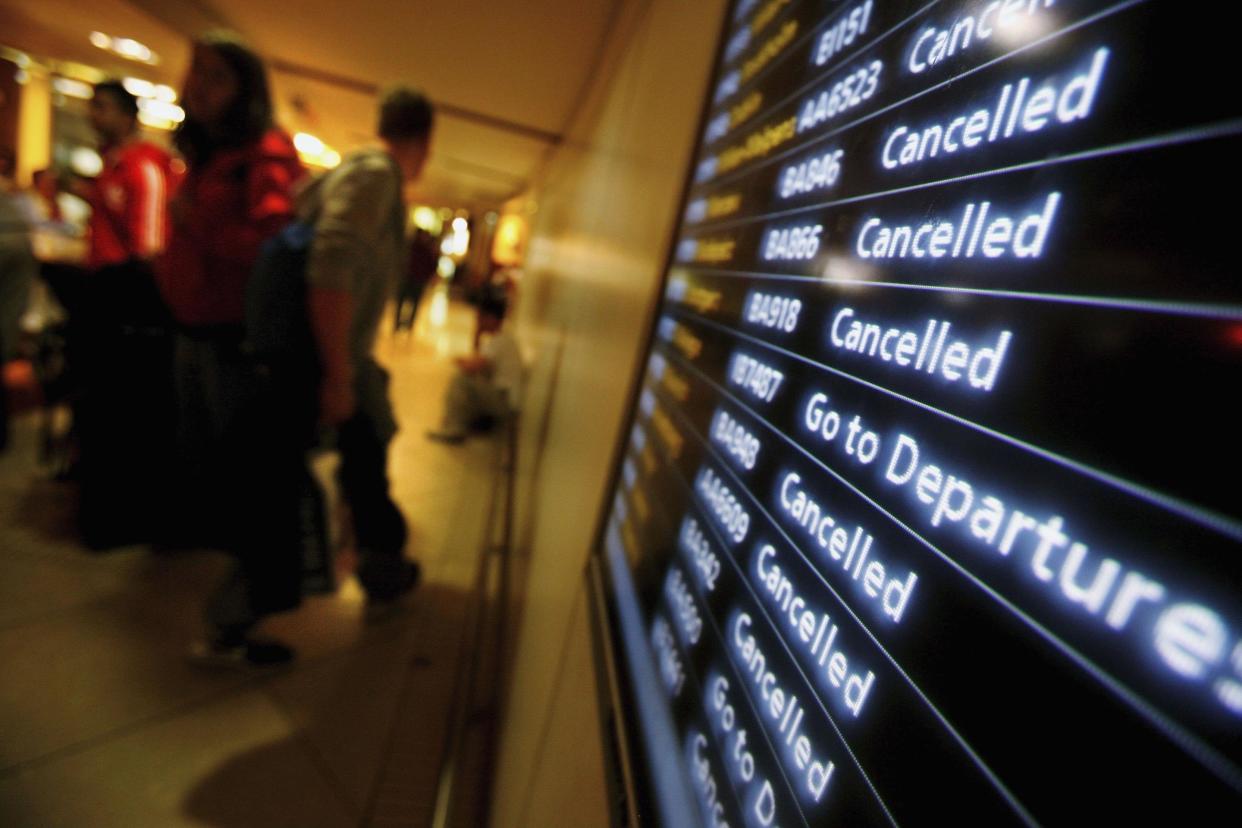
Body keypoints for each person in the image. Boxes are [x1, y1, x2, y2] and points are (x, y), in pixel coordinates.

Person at [156, 31, 305, 665]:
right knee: (211, 461)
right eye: (196, 74)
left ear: (246, 90)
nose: (198, 87)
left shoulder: (262, 157)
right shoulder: (211, 153)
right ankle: (232, 582)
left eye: (216, 76)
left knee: (246, 473)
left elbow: (276, 253)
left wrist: (204, 228)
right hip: (193, 333)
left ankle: (240, 613)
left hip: (232, 342)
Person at [299, 85, 432, 618]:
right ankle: (379, 566)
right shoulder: (377, 175)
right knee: (366, 456)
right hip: (332, 357)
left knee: (370, 445)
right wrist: (338, 374)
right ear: (424, 143)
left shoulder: (356, 171)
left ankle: (376, 558)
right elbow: (331, 266)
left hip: (340, 356)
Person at [426, 293, 523, 444]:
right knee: (468, 381)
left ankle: (454, 429)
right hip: (502, 398)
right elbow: (479, 360)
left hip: (504, 401)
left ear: (491, 318)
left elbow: (472, 366)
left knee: (461, 379)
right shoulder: (503, 339)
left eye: (480, 317)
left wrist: (461, 357)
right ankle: (456, 425)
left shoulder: (501, 341)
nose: (477, 321)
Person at [393, 227, 437, 332]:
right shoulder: (410, 247)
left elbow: (432, 265)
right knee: (402, 302)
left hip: (418, 280)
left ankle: (409, 324)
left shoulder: (426, 250)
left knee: (414, 304)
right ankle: (398, 323)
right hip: (407, 278)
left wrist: (428, 278)